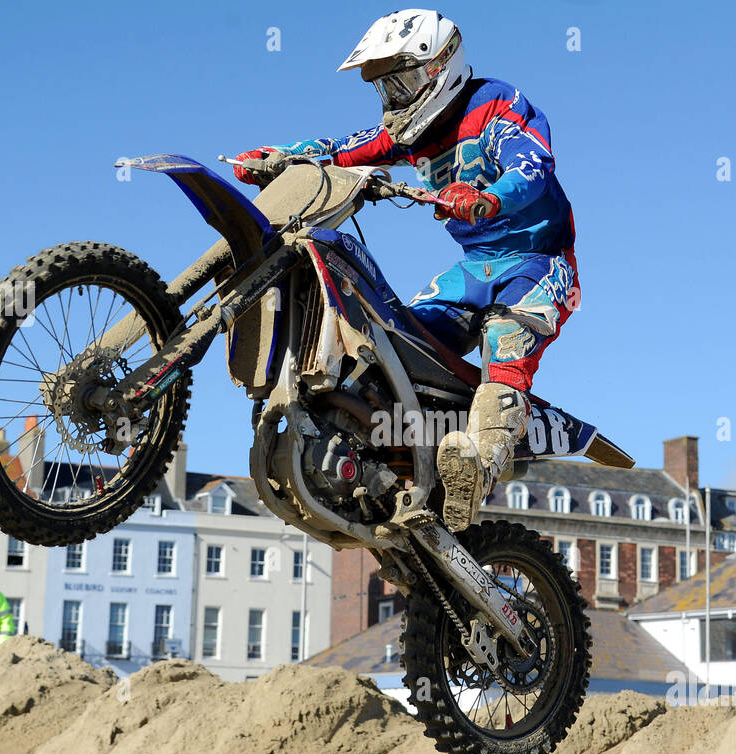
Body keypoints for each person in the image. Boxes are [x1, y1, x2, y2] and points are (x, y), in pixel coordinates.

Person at [231, 9, 578, 533]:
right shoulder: (410, 132)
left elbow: (532, 167)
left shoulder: (496, 104)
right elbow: (343, 150)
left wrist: (486, 197)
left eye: (404, 80)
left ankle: (476, 470)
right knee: (393, 344)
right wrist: (283, 157)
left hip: (539, 264)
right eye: (385, 86)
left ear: (441, 66)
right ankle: (389, 463)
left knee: (507, 340)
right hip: (475, 269)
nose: (395, 96)